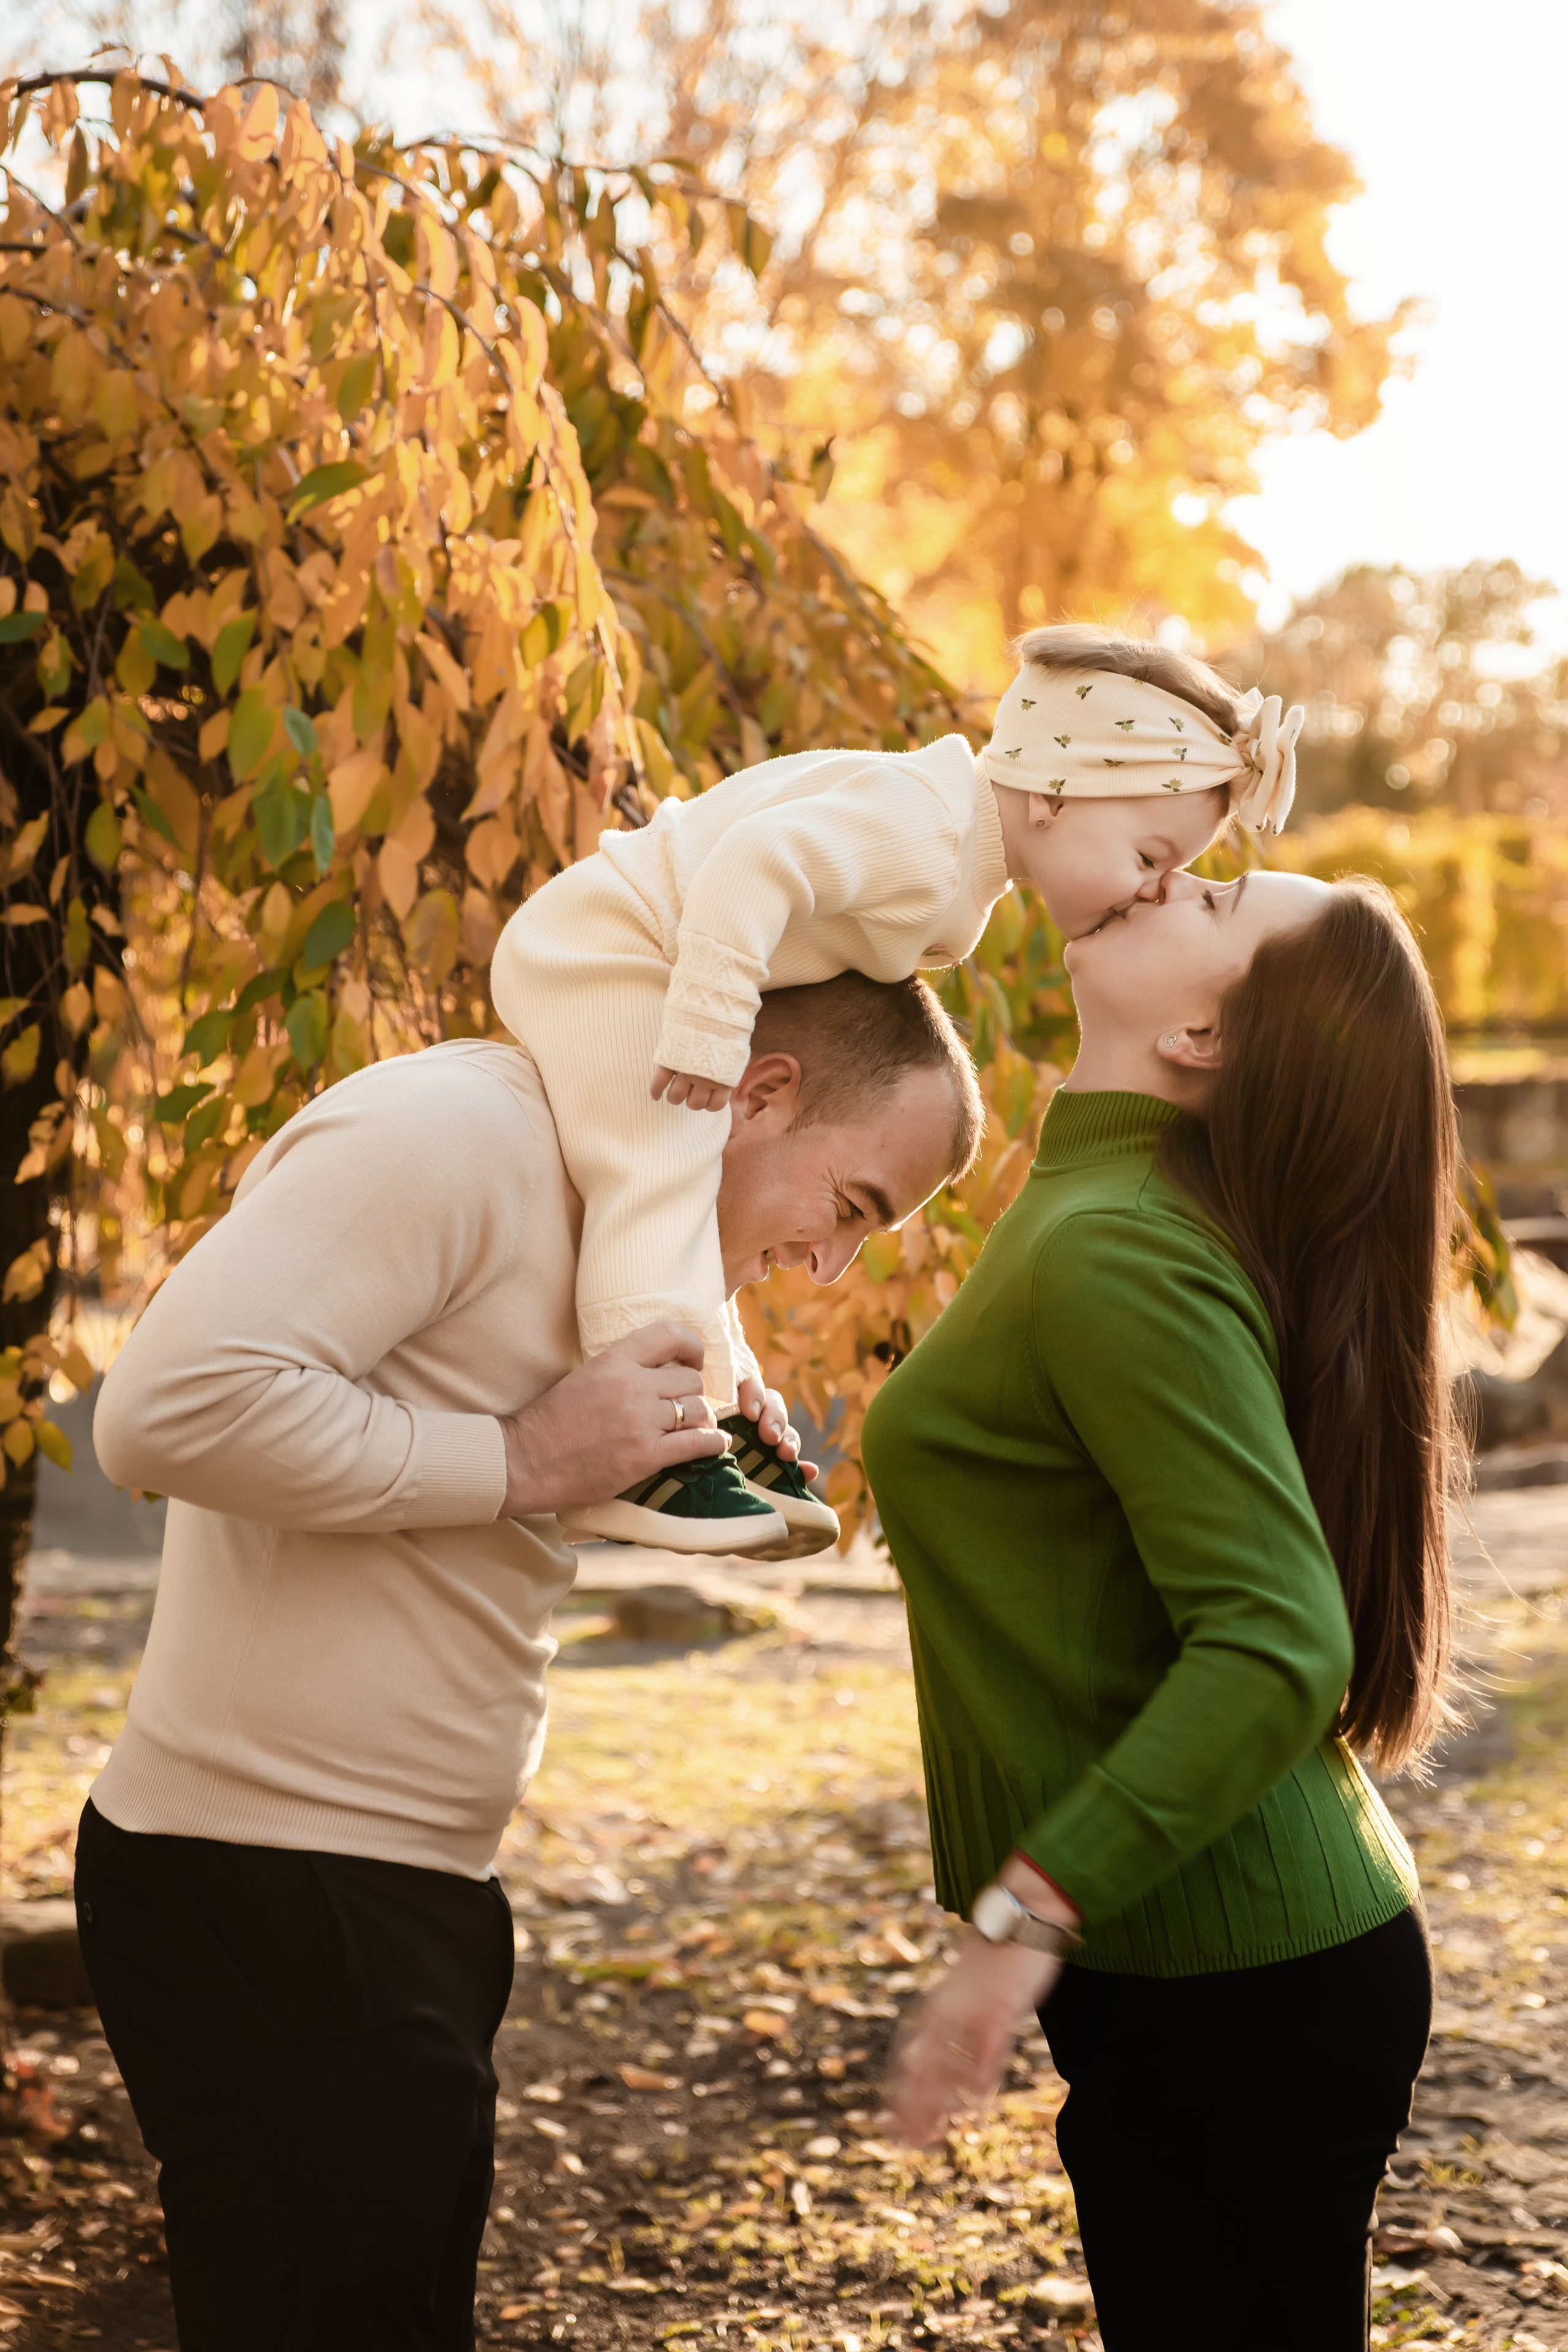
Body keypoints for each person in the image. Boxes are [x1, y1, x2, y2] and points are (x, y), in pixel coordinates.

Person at [77, 970, 981, 2352]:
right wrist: (521, 1459)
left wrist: (679, 1469)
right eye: (848, 1207)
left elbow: (475, 1465)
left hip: (413, 1899)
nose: (827, 1264)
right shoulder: (454, 1134)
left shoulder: (627, 1241)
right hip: (270, 1886)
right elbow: (163, 1412)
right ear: (761, 1095)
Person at [862, 867, 1453, 2351]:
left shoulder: (1121, 1237)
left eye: (1216, 897)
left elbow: (1277, 1639)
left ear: (1201, 1035)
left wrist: (1023, 1913)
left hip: (1244, 1991)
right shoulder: (1099, 1203)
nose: (1168, 873)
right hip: (1194, 1966)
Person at [489, 626, 1305, 1552]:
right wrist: (714, 1022)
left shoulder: (958, 850)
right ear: (1055, 793)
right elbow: (756, 861)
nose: (1156, 892)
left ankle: (710, 1406)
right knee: (663, 1164)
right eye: (1153, 857)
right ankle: (637, 1454)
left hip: (643, 958)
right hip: (609, 950)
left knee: (683, 1194)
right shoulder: (926, 833)